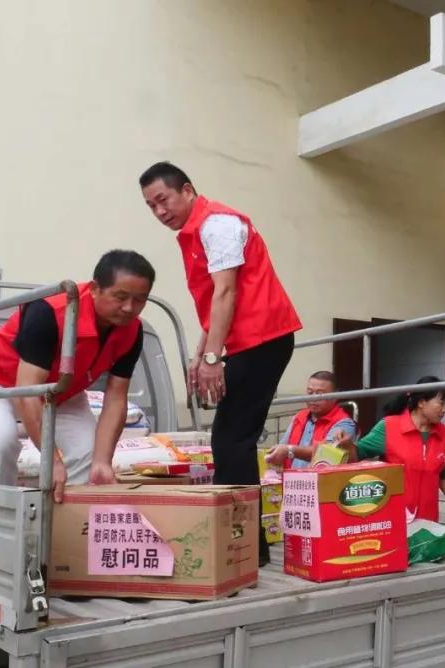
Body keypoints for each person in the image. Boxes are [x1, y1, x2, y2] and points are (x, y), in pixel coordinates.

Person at [140, 162, 302, 566]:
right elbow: (216, 304)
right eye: (151, 207)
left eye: (164, 200)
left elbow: (227, 291)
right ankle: (245, 543)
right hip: (250, 340)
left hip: (264, 337)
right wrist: (201, 354)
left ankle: (244, 544)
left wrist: (213, 358)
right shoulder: (196, 232)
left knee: (232, 440)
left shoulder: (218, 224)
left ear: (188, 190)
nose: (160, 212)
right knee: (231, 439)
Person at [0, 250, 155, 502]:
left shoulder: (132, 330)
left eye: (140, 300)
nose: (129, 308)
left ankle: (64, 522)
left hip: (62, 391)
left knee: (90, 452)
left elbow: (116, 398)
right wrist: (52, 460)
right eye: (120, 297)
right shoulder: (49, 312)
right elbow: (27, 392)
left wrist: (101, 461)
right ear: (96, 288)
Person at [337, 377, 445, 526]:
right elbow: (357, 455)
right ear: (421, 402)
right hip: (392, 521)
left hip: (428, 522)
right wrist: (348, 446)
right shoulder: (388, 427)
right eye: (441, 403)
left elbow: (443, 473)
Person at [264, 370, 357, 468]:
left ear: (336, 395)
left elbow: (326, 455)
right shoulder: (299, 417)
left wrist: (290, 450)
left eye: (320, 394)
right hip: (290, 479)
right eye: (310, 392)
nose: (314, 398)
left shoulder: (344, 423)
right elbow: (283, 446)